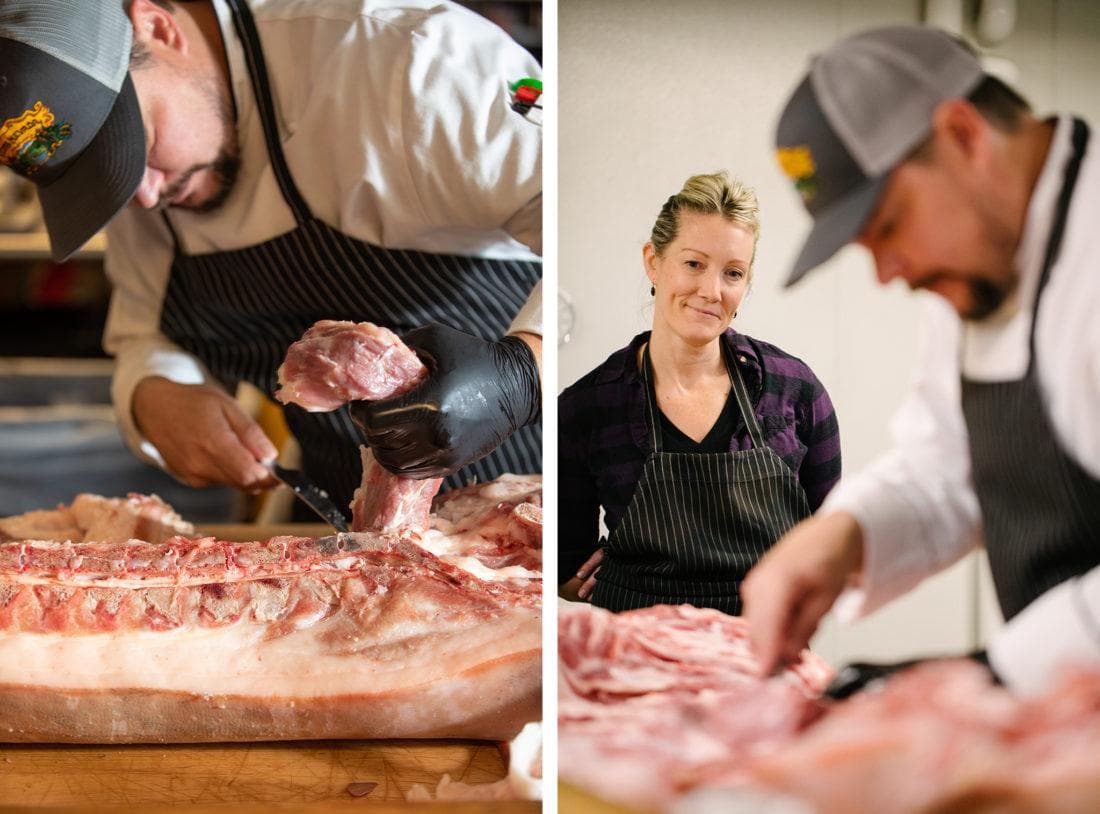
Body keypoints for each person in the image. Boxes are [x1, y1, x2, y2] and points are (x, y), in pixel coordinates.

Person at [0, 0, 543, 512]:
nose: (143, 196)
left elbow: (593, 217)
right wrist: (157, 393)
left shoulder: (405, 56)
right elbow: (145, 332)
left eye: (136, 146)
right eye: (102, 181)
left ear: (159, 27)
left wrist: (523, 371)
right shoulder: (152, 185)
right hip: (364, 537)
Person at [742, 24, 1100, 695]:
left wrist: (984, 681)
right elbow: (949, 461)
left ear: (964, 136)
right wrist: (843, 535)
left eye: (889, 224)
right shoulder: (976, 268)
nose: (886, 273)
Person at [558, 171, 842, 614]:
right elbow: (566, 570)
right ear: (653, 261)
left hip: (761, 652)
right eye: (693, 264)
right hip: (633, 660)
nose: (711, 292)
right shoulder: (588, 406)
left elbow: (830, 545)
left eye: (732, 273)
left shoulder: (795, 390)